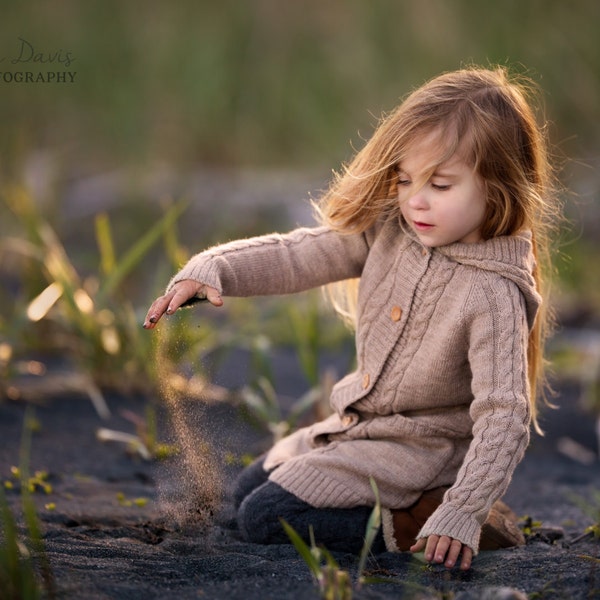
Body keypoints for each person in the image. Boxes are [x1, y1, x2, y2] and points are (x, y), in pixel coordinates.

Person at [144, 66, 560, 571]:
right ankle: (400, 503)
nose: (415, 200)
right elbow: (299, 254)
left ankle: (419, 521)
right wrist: (214, 268)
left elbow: (504, 417)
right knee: (249, 489)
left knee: (264, 518)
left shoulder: (492, 294)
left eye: (441, 184)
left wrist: (462, 509)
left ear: (497, 188)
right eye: (405, 178)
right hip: (362, 434)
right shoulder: (392, 229)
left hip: (424, 457)